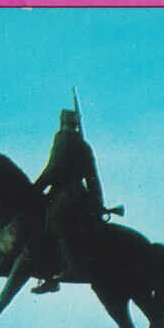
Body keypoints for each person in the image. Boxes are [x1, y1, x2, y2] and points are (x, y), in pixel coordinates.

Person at [30, 108, 105, 294]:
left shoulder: (62, 139)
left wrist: (34, 189)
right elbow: (93, 179)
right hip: (80, 195)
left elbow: (53, 169)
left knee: (51, 219)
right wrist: (98, 203)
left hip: (65, 194)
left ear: (62, 122)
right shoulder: (84, 145)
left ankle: (66, 269)